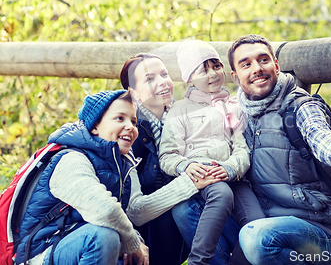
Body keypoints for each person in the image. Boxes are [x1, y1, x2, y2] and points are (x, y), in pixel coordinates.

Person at [15, 89, 218, 265]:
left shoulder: (123, 162)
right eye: (119, 118)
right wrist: (133, 243)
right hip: (43, 252)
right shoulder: (72, 159)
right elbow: (104, 210)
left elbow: (134, 210)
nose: (130, 126)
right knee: (103, 236)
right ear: (95, 126)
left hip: (78, 243)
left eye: (133, 121)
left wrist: (190, 183)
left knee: (116, 234)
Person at [226, 34, 331, 265]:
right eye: (246, 64)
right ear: (235, 76)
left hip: (316, 228)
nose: (257, 69)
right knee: (191, 210)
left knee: (257, 237)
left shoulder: (300, 107)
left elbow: (321, 138)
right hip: (262, 219)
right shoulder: (235, 114)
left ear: (276, 64)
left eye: (264, 60)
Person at [158, 40, 264, 265]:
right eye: (202, 70)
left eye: (216, 66)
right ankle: (199, 260)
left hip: (231, 175)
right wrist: (185, 166)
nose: (212, 74)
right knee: (221, 195)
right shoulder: (180, 110)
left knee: (257, 224)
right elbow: (167, 155)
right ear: (189, 79)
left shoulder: (233, 106)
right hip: (201, 175)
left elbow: (242, 148)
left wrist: (229, 168)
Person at [120, 53, 190, 264]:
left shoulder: (186, 116)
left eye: (164, 74)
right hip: (142, 219)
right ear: (133, 93)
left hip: (183, 205)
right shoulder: (129, 130)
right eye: (150, 79)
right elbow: (128, 201)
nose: (162, 82)